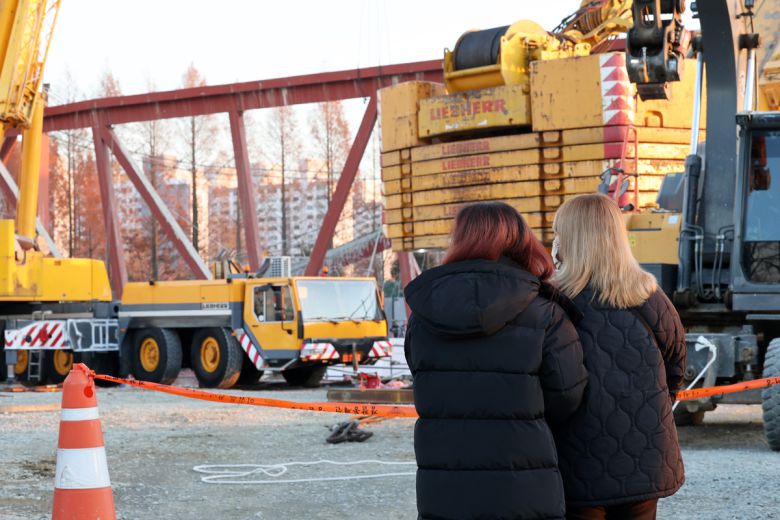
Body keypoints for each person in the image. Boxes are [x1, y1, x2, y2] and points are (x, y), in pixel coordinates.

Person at [404, 202, 588, 520]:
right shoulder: (545, 311)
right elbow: (567, 395)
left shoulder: (423, 314)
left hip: (446, 489)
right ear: (520, 240)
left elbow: (421, 377)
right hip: (524, 485)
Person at [551, 194, 686, 520]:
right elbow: (677, 364)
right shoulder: (651, 296)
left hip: (577, 459)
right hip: (645, 458)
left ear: (568, 240)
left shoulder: (552, 302)